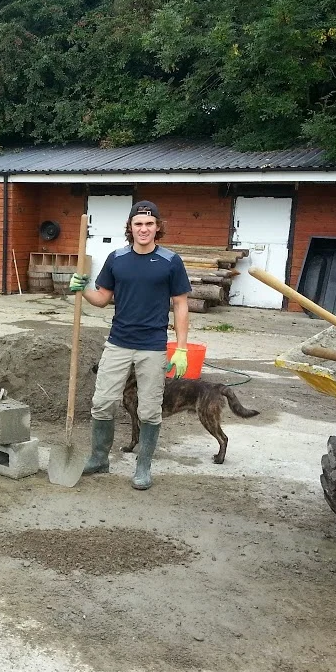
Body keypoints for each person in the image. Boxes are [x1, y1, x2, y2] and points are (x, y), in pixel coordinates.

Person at [69, 200, 192, 490]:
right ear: (130, 227)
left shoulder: (170, 261)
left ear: (158, 227)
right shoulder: (117, 258)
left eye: (149, 224)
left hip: (152, 346)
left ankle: (143, 466)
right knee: (101, 403)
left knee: (148, 410)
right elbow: (102, 299)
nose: (144, 229)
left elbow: (181, 304)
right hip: (118, 343)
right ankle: (99, 458)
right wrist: (82, 288)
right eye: (138, 224)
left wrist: (182, 347)